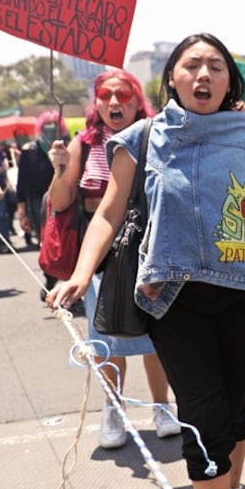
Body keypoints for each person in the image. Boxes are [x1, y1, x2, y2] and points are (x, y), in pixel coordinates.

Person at [49, 33, 245, 489]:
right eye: (192, 65)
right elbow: (109, 213)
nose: (205, 75)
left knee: (238, 407)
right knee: (203, 416)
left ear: (231, 80)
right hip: (174, 299)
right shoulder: (144, 135)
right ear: (172, 78)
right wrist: (78, 273)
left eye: (217, 67)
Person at [46, 69, 180, 448]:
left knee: (153, 333)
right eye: (105, 95)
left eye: (123, 95)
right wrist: (58, 170)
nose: (114, 102)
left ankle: (161, 406)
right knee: (104, 334)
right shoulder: (83, 145)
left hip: (145, 244)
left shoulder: (153, 137)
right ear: (96, 103)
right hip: (102, 248)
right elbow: (59, 202)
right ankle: (113, 408)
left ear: (138, 101)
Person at [17, 111, 69, 295]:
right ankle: (50, 277)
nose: (51, 127)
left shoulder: (67, 148)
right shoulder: (30, 150)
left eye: (55, 123)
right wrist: (22, 213)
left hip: (63, 200)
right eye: (48, 123)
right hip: (38, 205)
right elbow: (21, 184)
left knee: (65, 243)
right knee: (46, 243)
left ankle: (67, 286)